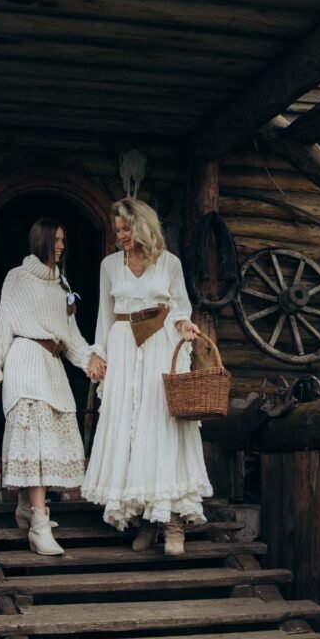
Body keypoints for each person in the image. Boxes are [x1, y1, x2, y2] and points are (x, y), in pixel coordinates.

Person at [82, 197, 213, 555]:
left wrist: (185, 324)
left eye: (126, 229)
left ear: (142, 226)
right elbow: (105, 315)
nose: (121, 236)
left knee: (163, 428)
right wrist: (99, 352)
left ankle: (172, 523)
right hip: (125, 347)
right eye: (117, 230)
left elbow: (180, 306)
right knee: (131, 430)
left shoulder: (169, 263)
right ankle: (145, 520)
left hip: (159, 345)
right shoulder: (110, 265)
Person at [0, 219, 105, 556]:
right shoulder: (17, 278)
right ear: (41, 241)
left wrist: (91, 359)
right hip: (24, 361)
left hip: (52, 365)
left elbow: (71, 336)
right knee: (34, 439)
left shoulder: (63, 286)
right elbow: (3, 325)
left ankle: (25, 507)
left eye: (63, 240)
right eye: (56, 240)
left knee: (47, 442)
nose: (61, 246)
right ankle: (39, 523)